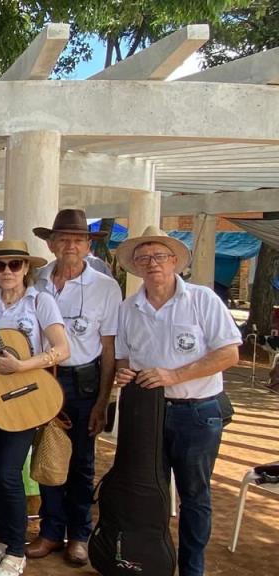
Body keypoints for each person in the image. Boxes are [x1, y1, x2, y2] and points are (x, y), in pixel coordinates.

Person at [114, 226, 241, 576]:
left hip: (196, 413)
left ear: (174, 261)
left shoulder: (202, 299)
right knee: (148, 492)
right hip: (147, 415)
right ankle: (151, 563)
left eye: (159, 256)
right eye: (143, 258)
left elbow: (229, 353)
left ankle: (191, 569)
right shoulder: (128, 308)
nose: (151, 263)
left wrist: (174, 376)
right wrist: (124, 374)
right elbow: (124, 358)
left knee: (194, 496)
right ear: (136, 267)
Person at [0, 239, 71, 576]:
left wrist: (22, 367)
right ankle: (5, 540)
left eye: (14, 265)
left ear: (26, 268)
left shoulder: (41, 301)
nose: (7, 271)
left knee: (8, 472)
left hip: (25, 394)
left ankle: (18, 548)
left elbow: (62, 348)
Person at [26, 209, 122, 566]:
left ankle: (78, 535)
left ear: (87, 246)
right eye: (63, 239)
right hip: (41, 380)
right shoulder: (35, 281)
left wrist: (103, 400)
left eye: (78, 240)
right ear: (51, 244)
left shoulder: (106, 287)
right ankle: (51, 531)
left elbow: (110, 349)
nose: (70, 245)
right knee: (48, 454)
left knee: (81, 461)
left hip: (84, 381)